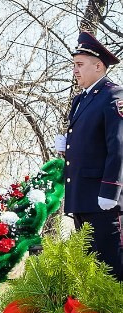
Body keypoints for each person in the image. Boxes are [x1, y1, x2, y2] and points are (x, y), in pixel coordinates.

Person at [55, 31, 123, 279]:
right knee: (91, 275)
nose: (75, 70)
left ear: (98, 66)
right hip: (83, 198)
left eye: (80, 64)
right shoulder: (81, 100)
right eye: (74, 64)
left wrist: (110, 191)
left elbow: (118, 147)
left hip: (104, 200)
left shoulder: (114, 96)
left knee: (111, 273)